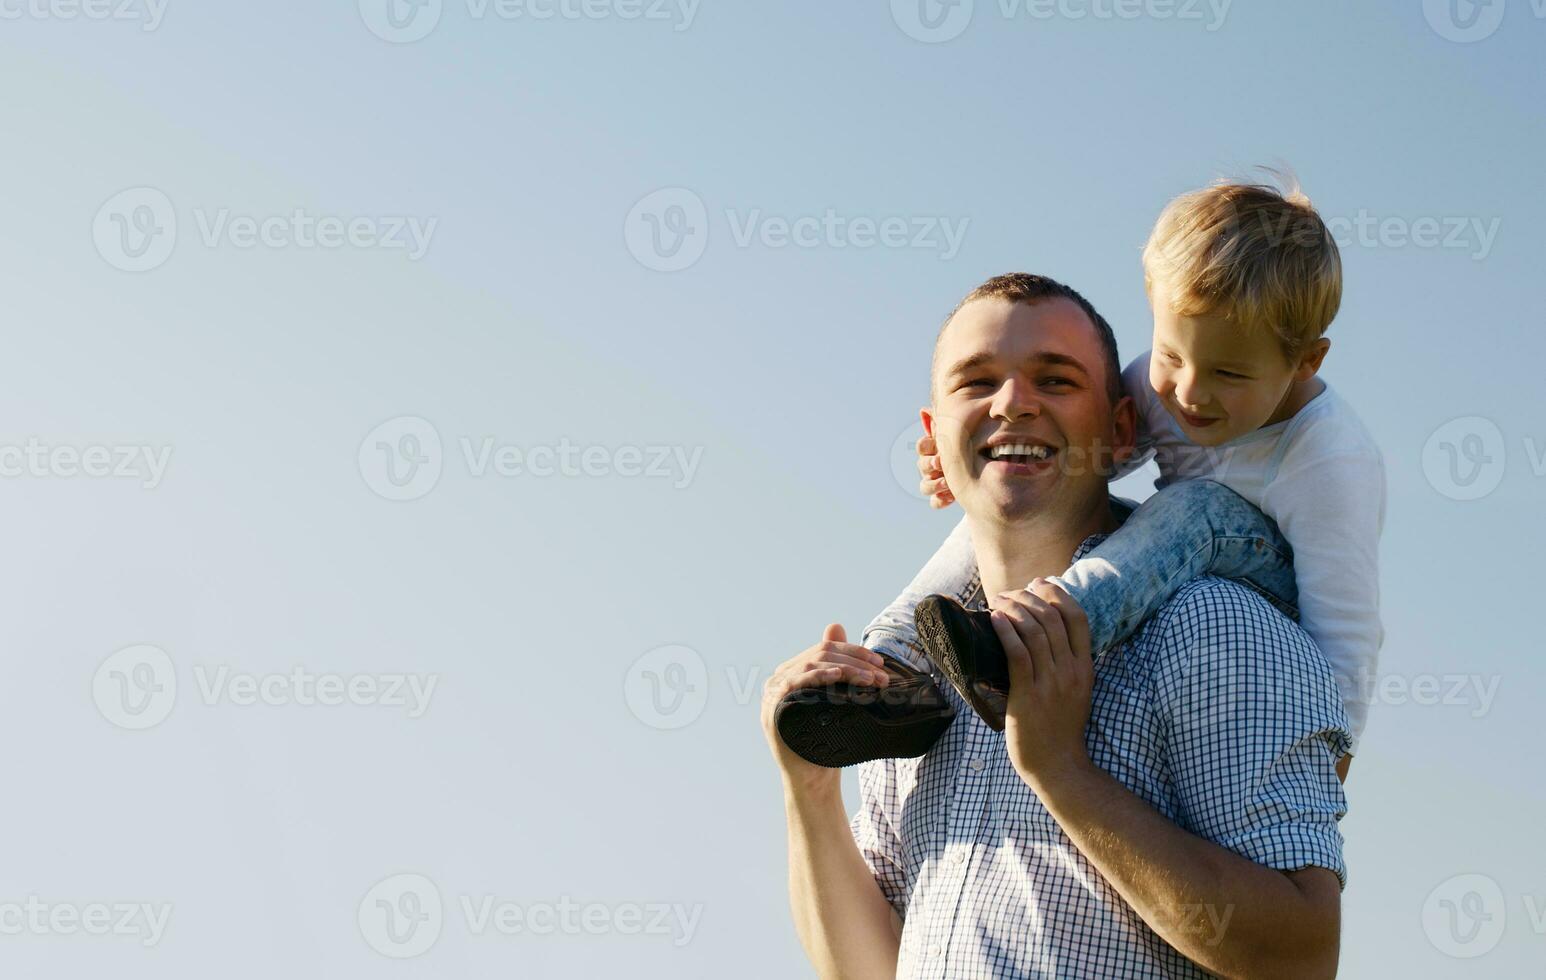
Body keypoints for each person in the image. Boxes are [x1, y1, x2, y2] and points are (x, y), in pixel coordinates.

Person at [761, 275, 1351, 977]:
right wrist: (809, 789)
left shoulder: (1214, 627)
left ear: (1122, 430)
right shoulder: (908, 688)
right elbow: (868, 969)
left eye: (1055, 379)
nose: (1012, 403)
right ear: (935, 436)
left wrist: (1060, 770)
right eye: (977, 381)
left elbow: (1300, 956)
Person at [870, 178, 1384, 780]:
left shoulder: (1328, 461)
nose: (1189, 392)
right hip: (1173, 559)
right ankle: (887, 664)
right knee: (1007, 494)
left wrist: (1329, 756)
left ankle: (1029, 647)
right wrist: (974, 460)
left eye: (1228, 372)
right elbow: (1083, 458)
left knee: (1199, 506)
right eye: (1171, 354)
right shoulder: (1160, 385)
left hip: (1268, 598)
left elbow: (1347, 628)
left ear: (1305, 362)